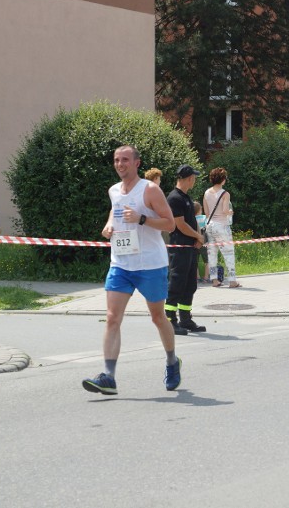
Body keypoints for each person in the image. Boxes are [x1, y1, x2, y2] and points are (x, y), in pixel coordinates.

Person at [82, 145, 181, 395]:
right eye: (116, 160)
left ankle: (172, 361)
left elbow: (170, 223)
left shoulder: (150, 190)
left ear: (137, 163)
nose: (120, 164)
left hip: (150, 264)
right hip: (121, 263)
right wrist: (108, 226)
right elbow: (114, 213)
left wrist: (142, 219)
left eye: (125, 159)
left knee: (158, 317)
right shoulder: (114, 190)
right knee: (112, 318)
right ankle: (108, 376)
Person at [165, 164, 207, 334]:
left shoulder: (186, 198)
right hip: (180, 247)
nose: (195, 180)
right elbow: (180, 224)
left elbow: (192, 221)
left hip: (190, 247)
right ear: (189, 178)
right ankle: (170, 320)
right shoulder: (175, 198)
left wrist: (198, 237)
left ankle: (185, 319)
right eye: (194, 177)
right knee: (177, 283)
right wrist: (197, 236)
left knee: (190, 284)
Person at [203, 167, 241, 288]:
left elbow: (207, 213)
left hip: (210, 226)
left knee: (212, 254)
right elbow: (225, 210)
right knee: (229, 253)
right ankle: (232, 280)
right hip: (222, 226)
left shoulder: (206, 193)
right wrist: (230, 212)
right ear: (223, 179)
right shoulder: (225, 194)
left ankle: (214, 280)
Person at [194, 201, 208, 286]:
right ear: (200, 210)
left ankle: (197, 277)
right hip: (204, 242)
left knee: (195, 261)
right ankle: (206, 277)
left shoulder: (191, 218)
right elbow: (208, 228)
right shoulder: (204, 218)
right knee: (208, 261)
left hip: (195, 242)